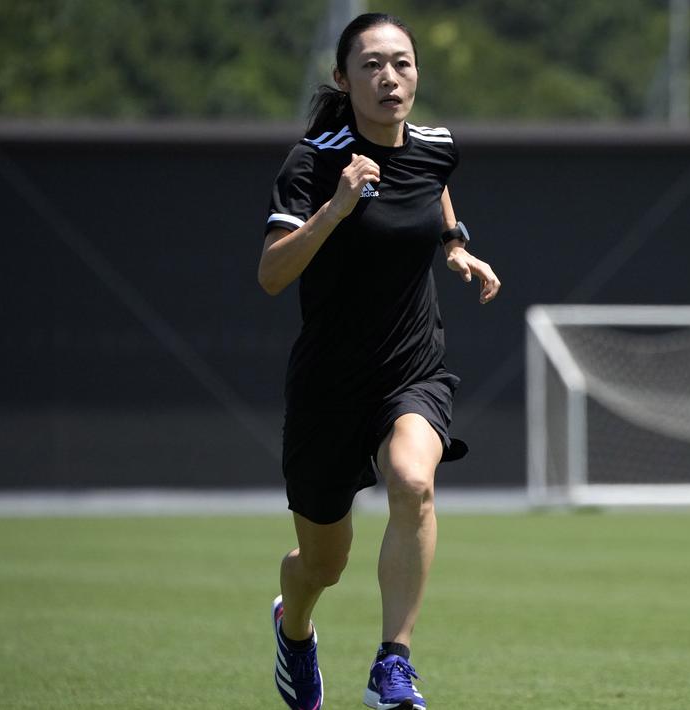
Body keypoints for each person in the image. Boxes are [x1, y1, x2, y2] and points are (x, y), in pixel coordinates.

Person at [257, 12, 500, 710]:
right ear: (342, 78)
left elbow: (431, 187)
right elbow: (272, 275)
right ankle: (293, 628)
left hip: (411, 368)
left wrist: (454, 244)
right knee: (322, 565)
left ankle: (393, 663)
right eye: (370, 64)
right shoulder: (312, 160)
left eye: (401, 62)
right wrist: (334, 209)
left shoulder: (434, 146)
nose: (389, 76)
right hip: (328, 390)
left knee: (411, 480)